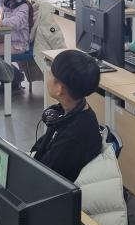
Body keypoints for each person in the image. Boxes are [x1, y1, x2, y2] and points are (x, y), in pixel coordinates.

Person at [31, 49, 103, 182]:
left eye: (51, 73)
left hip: (53, 188)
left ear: (60, 89)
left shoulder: (72, 137)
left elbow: (43, 177)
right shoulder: (72, 111)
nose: (48, 75)